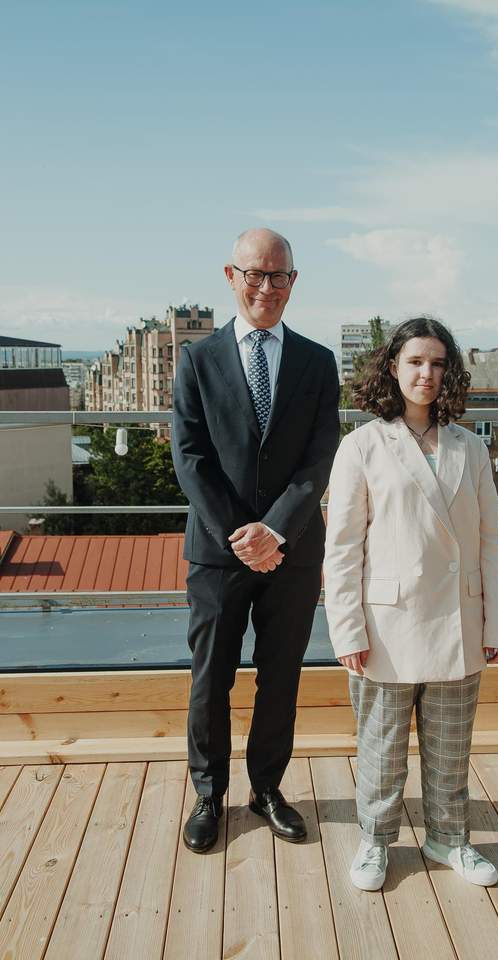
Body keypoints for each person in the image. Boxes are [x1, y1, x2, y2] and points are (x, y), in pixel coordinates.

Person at [323, 316, 498, 890]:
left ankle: (449, 838)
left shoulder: (470, 446)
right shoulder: (361, 446)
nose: (425, 373)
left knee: (451, 749)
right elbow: (342, 548)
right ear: (392, 367)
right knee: (381, 749)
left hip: (459, 619)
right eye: (414, 361)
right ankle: (375, 841)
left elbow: (491, 540)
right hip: (386, 625)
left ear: (448, 372)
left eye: (436, 363)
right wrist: (347, 630)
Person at [172, 228, 340, 852]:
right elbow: (190, 457)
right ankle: (208, 793)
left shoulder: (318, 362)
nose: (266, 287)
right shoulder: (197, 360)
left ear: (293, 281)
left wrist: (275, 530)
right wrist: (240, 534)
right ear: (230, 276)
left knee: (281, 676)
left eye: (278, 276)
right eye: (254, 274)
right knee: (210, 677)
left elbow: (320, 456)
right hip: (218, 553)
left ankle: (266, 788)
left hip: (292, 550)